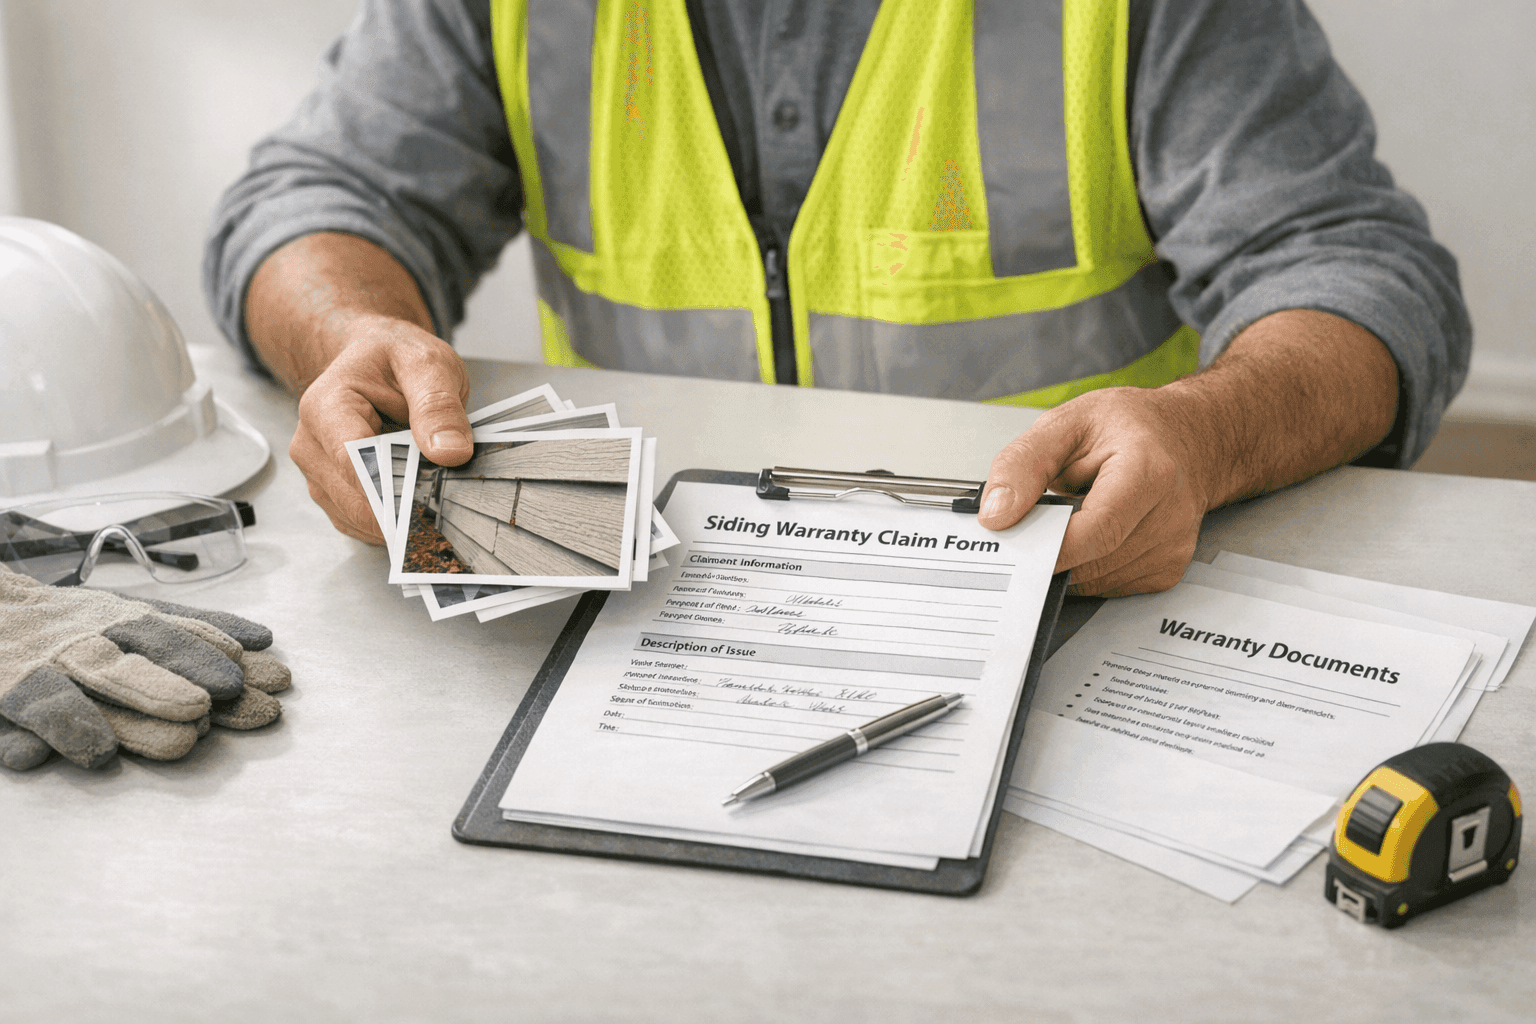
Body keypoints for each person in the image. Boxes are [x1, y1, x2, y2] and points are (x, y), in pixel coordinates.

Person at [205, 0, 1469, 596]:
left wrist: (1203, 431)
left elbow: (1360, 275)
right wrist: (352, 333)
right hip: (646, 602)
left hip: (1063, 588)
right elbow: (314, 197)